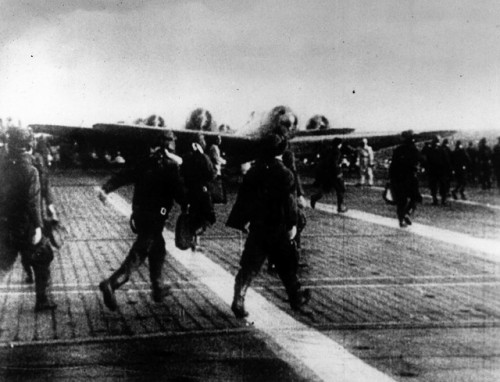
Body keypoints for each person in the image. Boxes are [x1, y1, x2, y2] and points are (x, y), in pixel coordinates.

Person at [97, 130, 187, 311]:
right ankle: (111, 284)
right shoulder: (170, 166)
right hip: (155, 218)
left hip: (139, 215)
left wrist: (106, 188)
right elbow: (180, 194)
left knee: (158, 249)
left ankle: (158, 287)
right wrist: (189, 205)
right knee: (138, 254)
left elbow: (123, 176)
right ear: (170, 145)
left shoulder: (144, 161)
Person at [226, 133, 311, 318]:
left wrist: (242, 222)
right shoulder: (285, 173)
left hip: (258, 228)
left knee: (249, 267)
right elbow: (290, 203)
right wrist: (292, 225)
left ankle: (238, 299)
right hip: (278, 227)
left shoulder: (253, 172)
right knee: (287, 266)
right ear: (281, 150)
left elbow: (243, 199)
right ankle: (297, 300)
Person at [0, 126, 57, 311]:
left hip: (5, 224)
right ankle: (42, 300)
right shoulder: (30, 170)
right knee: (43, 257)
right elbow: (32, 203)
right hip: (26, 225)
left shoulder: (2, 166)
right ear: (28, 144)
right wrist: (39, 227)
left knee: (3, 263)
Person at [181, 133, 217, 249]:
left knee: (194, 215)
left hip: (190, 192)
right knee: (207, 217)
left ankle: (194, 240)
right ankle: (196, 238)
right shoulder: (204, 158)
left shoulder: (187, 157)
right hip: (202, 192)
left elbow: (182, 174)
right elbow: (211, 174)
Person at [389, 130, 422, 228]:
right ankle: (407, 213)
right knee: (415, 198)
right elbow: (421, 159)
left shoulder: (398, 150)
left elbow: (393, 165)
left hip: (398, 178)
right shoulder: (414, 149)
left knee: (401, 201)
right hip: (411, 177)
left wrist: (390, 178)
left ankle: (401, 220)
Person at [310, 137, 348, 213]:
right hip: (335, 173)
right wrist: (339, 168)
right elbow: (334, 163)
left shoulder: (329, 150)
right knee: (341, 189)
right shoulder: (337, 152)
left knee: (325, 189)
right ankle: (340, 207)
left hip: (327, 173)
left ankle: (314, 197)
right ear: (339, 144)